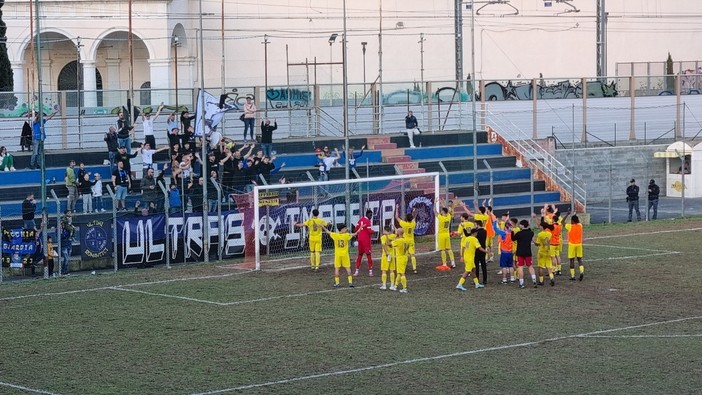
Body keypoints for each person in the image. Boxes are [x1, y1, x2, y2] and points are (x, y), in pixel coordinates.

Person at [322, 223, 364, 288]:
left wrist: (322, 226)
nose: (346, 229)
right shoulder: (346, 235)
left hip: (338, 255)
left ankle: (337, 283)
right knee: (347, 268)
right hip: (345, 255)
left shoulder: (335, 235)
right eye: (344, 228)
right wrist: (361, 227)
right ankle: (350, 282)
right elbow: (355, 233)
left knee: (337, 268)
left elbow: (327, 232)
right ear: (341, 229)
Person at [512, 219, 538, 288]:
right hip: (528, 252)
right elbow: (530, 231)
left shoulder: (519, 233)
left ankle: (521, 283)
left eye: (520, 224)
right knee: (530, 266)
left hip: (520, 252)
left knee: (520, 267)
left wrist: (512, 231)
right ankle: (534, 279)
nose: (519, 225)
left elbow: (513, 239)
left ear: (522, 225)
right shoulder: (531, 233)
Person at [493, 215, 516, 284]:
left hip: (504, 252)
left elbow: (495, 229)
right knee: (511, 266)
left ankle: (504, 279)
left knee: (504, 266)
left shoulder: (503, 233)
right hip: (510, 252)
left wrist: (494, 222)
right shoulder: (512, 233)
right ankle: (512, 278)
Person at [395, 204, 418, 274]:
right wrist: (414, 212)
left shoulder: (404, 224)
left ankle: (403, 268)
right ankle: (414, 268)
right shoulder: (413, 224)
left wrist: (396, 209)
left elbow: (396, 217)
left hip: (405, 241)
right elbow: (413, 217)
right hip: (411, 240)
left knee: (404, 255)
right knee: (412, 255)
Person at [562, 212, 585, 281]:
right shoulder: (580, 225)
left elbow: (562, 222)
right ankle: (581, 271)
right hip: (579, 244)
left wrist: (567, 214)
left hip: (572, 245)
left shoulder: (570, 226)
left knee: (571, 260)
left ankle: (572, 276)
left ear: (572, 221)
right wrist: (575, 215)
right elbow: (578, 222)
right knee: (579, 259)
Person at [435, 198, 456, 269]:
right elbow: (447, 211)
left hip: (441, 235)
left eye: (441, 211)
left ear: (443, 212)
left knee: (442, 250)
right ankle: (453, 262)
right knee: (449, 249)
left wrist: (435, 203)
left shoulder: (441, 218)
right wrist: (442, 203)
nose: (440, 211)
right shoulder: (448, 217)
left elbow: (435, 211)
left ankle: (444, 263)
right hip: (447, 235)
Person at [353, 209, 374, 277]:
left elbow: (355, 229)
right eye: (370, 215)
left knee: (360, 255)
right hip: (366, 241)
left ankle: (356, 271)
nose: (371, 216)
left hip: (360, 240)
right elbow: (369, 231)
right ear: (367, 214)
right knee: (368, 255)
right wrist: (373, 231)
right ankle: (370, 272)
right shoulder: (367, 221)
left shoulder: (360, 220)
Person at [534, 221, 554, 286]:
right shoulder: (549, 233)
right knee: (549, 266)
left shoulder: (540, 234)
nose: (539, 227)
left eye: (540, 226)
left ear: (542, 227)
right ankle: (552, 278)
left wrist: (533, 241)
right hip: (548, 251)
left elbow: (538, 244)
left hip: (542, 252)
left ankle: (541, 281)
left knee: (540, 267)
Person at [390, 228, 409, 293]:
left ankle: (404, 288)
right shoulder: (406, 239)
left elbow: (390, 244)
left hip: (400, 258)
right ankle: (395, 286)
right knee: (399, 273)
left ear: (398, 233)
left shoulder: (399, 241)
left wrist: (394, 235)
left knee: (402, 273)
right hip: (405, 257)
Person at [379, 225, 396, 290]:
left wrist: (386, 252)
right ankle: (392, 285)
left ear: (385, 230)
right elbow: (397, 233)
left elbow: (383, 245)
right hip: (392, 254)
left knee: (384, 270)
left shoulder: (383, 237)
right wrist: (394, 228)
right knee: (392, 270)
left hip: (385, 255)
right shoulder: (393, 236)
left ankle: (384, 285)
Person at [473, 219, 489, 285]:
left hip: (477, 250)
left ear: (477, 225)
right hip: (483, 249)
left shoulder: (477, 232)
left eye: (475, 225)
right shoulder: (485, 231)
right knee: (483, 265)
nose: (474, 226)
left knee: (476, 265)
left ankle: (477, 280)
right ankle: (485, 280)